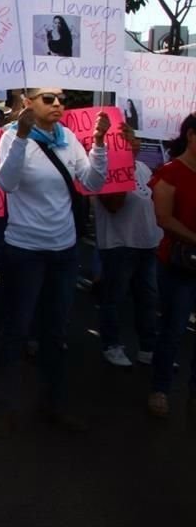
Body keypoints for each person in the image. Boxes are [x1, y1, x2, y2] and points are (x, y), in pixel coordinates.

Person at [0, 88, 109, 437]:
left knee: (55, 333)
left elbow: (92, 181)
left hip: (63, 251)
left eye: (61, 99)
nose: (58, 104)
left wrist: (99, 143)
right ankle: (5, 408)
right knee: (16, 330)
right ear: (28, 102)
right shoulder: (11, 137)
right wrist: (23, 136)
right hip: (23, 251)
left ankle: (53, 405)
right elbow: (6, 183)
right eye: (48, 98)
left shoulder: (68, 138)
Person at [94, 123, 160, 367]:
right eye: (125, 138)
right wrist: (123, 163)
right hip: (119, 245)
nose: (133, 141)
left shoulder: (143, 167)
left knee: (148, 299)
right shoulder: (104, 169)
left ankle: (148, 348)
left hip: (147, 244)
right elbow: (113, 205)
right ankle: (111, 344)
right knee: (114, 298)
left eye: (133, 136)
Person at [146, 113, 196, 419]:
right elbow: (163, 218)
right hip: (179, 266)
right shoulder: (170, 172)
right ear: (191, 135)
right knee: (173, 330)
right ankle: (160, 389)